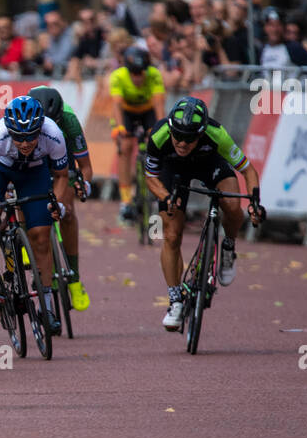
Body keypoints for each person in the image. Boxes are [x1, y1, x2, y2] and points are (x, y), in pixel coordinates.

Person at [144, 97, 264, 331]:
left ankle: (228, 247)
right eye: (177, 135)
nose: (182, 142)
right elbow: (150, 176)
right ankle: (175, 300)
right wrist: (165, 197)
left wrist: (255, 203)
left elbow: (248, 170)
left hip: (209, 163)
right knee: (171, 235)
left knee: (232, 205)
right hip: (173, 171)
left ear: (200, 134)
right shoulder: (159, 135)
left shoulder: (216, 134)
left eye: (189, 138)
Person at [0, 95, 70, 333]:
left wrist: (55, 203)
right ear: (9, 131)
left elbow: (61, 176)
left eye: (30, 136)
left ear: (40, 128)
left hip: (34, 174)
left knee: (41, 237)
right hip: (1, 171)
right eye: (19, 137)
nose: (25, 143)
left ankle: (46, 308)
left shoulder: (53, 134)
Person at [28, 85, 93, 313]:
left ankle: (74, 277)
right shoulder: (24, 115)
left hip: (62, 161)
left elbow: (85, 166)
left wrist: (83, 184)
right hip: (34, 159)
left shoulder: (69, 120)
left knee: (67, 210)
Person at [109, 45, 166, 220]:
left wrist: (161, 129)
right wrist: (120, 129)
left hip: (147, 110)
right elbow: (117, 106)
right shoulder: (118, 76)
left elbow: (158, 107)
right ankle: (126, 202)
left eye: (141, 73)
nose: (138, 78)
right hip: (126, 112)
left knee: (157, 143)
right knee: (125, 147)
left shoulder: (154, 75)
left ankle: (157, 193)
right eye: (134, 74)